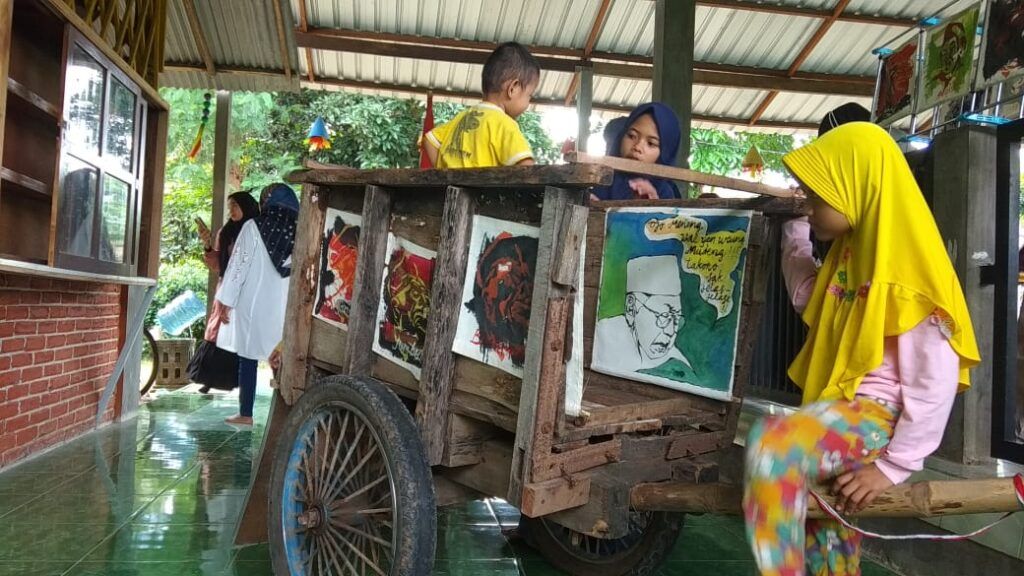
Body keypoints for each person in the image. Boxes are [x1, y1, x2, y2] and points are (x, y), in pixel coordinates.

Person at [743, 122, 980, 576]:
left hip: (873, 417)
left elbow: (935, 381)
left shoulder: (911, 273)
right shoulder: (854, 252)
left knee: (773, 447)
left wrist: (894, 466)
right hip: (838, 410)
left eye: (816, 198)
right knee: (827, 535)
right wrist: (794, 227)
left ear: (858, 188)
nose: (810, 208)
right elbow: (810, 297)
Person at [215, 183, 299, 426]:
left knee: (248, 357)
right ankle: (287, 416)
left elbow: (238, 266)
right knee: (281, 357)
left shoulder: (254, 226)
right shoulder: (303, 227)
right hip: (287, 307)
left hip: (254, 303)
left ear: (267, 202)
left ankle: (246, 413)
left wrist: (225, 301)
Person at [422, 42, 539, 168]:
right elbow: (527, 167)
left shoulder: (463, 117)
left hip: (448, 187)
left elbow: (430, 140)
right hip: (482, 188)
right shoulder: (505, 125)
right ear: (513, 89)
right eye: (529, 95)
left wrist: (443, 174)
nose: (528, 102)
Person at [194, 191, 261, 393]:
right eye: (229, 206)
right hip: (226, 288)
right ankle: (210, 378)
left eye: (235, 206)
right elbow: (217, 265)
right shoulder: (225, 232)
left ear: (246, 207)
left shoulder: (257, 231)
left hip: (247, 289)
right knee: (218, 331)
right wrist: (207, 245)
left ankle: (238, 381)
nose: (231, 210)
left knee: (241, 334)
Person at [593, 255, 693, 374]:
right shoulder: (604, 340)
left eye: (676, 319)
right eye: (664, 316)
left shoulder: (677, 363)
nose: (670, 331)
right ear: (631, 308)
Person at [591, 102, 682, 201]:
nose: (637, 147)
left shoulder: (663, 192)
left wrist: (653, 205)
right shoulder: (602, 180)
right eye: (631, 136)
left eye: (651, 143)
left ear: (665, 154)